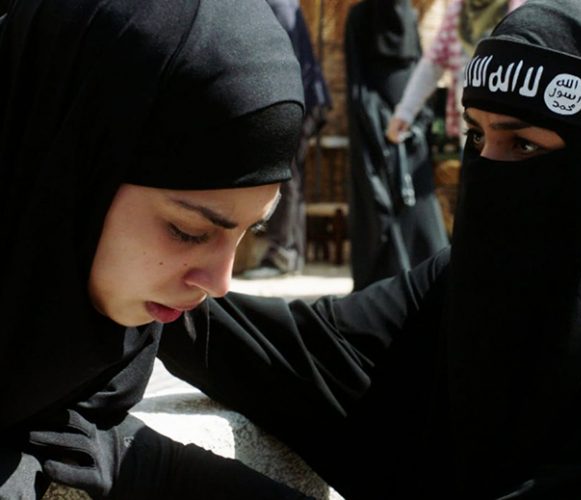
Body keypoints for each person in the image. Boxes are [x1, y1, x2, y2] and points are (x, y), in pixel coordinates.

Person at [157, 0, 581, 498]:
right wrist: (133, 283)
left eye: (524, 145)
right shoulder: (476, 282)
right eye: (477, 138)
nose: (488, 174)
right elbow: (301, 352)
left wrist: (157, 472)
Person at [0, 0, 315, 498]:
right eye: (188, 230)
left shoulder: (87, 368)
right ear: (73, 169)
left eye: (250, 231)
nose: (220, 283)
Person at [344, 0, 449, 290]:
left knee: (417, 208)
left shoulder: (406, 16)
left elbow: (418, 68)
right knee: (381, 204)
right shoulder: (362, 16)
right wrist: (381, 122)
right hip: (379, 126)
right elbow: (357, 81)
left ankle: (425, 280)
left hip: (406, 123)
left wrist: (416, 121)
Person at [243, 0, 332, 279]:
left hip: (298, 97)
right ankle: (291, 254)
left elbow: (279, 60)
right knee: (291, 177)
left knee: (284, 175)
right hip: (302, 97)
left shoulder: (276, 5)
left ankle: (282, 254)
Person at [385, 0, 525, 145]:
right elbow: (433, 63)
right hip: (472, 127)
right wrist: (405, 113)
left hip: (514, 128)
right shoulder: (459, 9)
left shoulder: (522, 10)